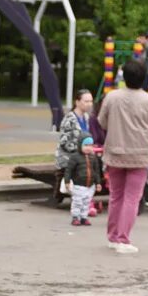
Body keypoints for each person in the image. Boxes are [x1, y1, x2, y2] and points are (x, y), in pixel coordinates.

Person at [96, 59, 148, 255]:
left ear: (124, 76)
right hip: (140, 155)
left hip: (115, 152)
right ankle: (124, 238)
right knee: (132, 198)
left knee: (116, 195)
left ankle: (113, 236)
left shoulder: (112, 97)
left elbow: (102, 121)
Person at [57, 89, 97, 227]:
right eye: (86, 101)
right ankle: (82, 205)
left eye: (91, 101)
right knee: (84, 165)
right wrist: (80, 150)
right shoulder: (70, 119)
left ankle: (88, 199)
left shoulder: (86, 118)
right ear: (77, 102)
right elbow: (64, 142)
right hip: (69, 156)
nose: (89, 104)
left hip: (82, 154)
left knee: (96, 162)